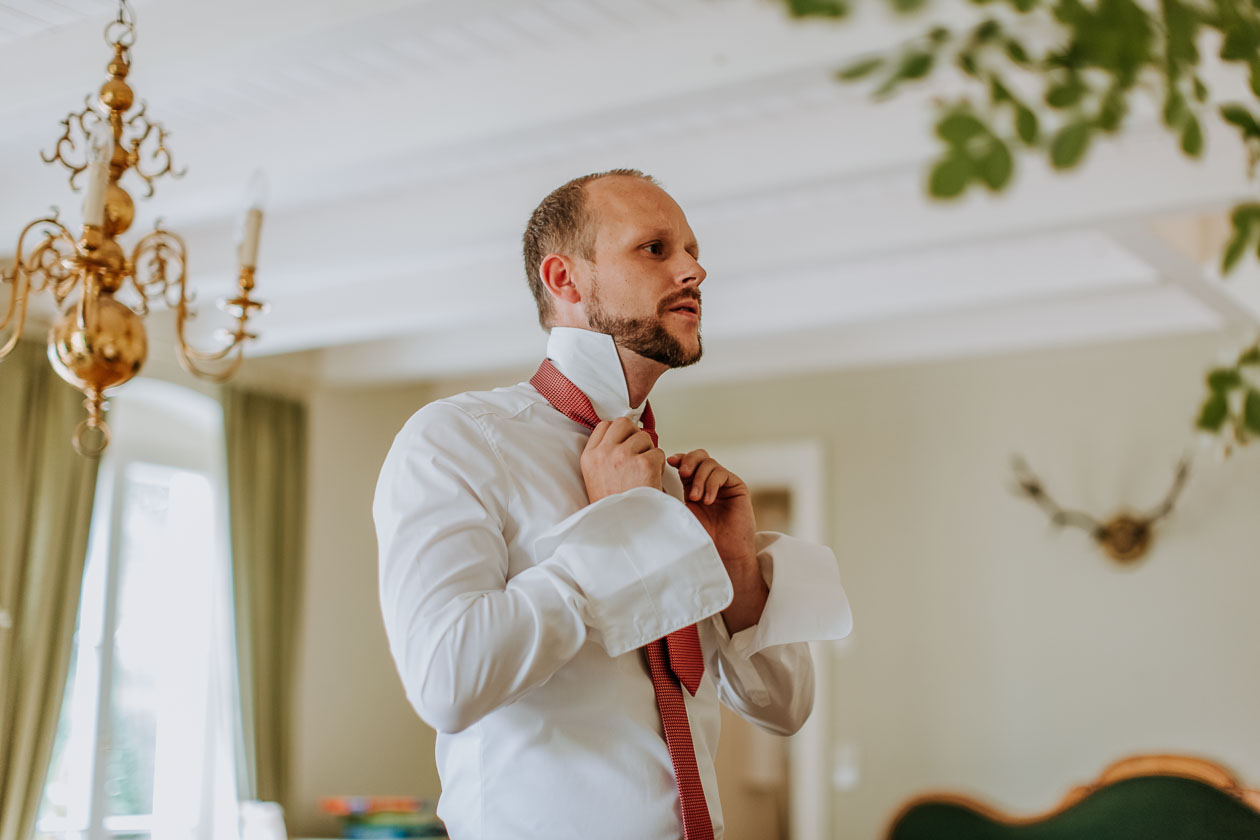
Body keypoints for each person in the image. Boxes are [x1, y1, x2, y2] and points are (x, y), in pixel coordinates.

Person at [374, 169, 852, 840]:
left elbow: (785, 708)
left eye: (691, 250)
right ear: (564, 280)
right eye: (655, 249)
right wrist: (616, 536)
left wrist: (738, 567)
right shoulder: (456, 440)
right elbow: (446, 682)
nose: (696, 270)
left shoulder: (667, 485)